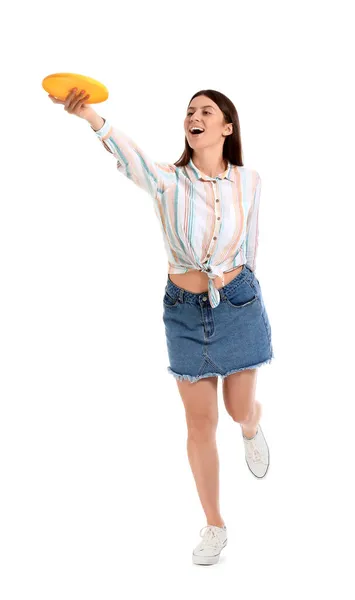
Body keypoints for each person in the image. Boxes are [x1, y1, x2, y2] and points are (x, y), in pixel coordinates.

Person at [49, 87, 274, 566]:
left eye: (206, 112)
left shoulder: (250, 181)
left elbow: (252, 246)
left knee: (237, 411)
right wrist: (89, 114)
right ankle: (215, 524)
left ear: (226, 128)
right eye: (189, 111)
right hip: (185, 314)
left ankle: (254, 425)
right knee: (200, 423)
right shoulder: (168, 181)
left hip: (238, 304)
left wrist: (247, 294)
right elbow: (127, 154)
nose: (194, 117)